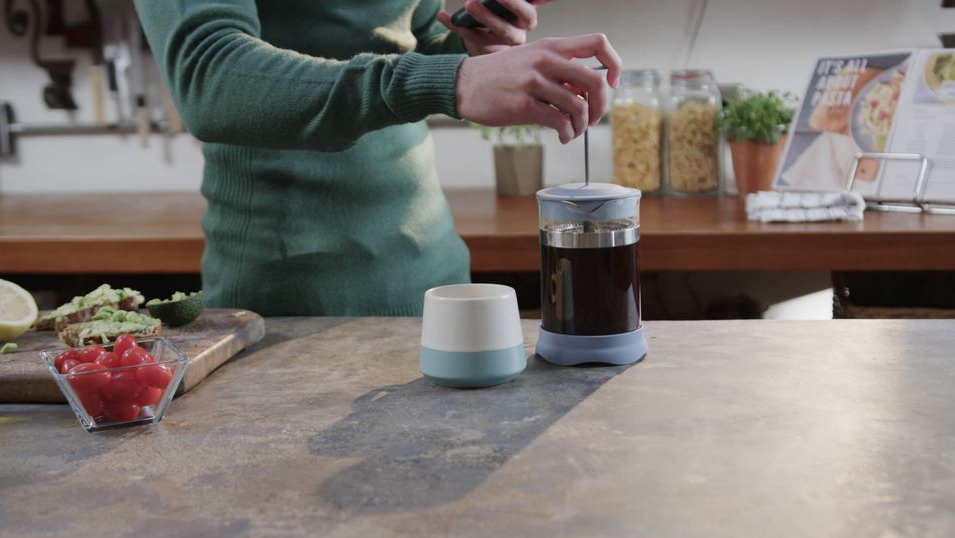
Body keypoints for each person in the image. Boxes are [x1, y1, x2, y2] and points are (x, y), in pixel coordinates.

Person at [135, 0, 622, 316]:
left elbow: (403, 38)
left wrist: (468, 46)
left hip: (431, 277)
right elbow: (209, 75)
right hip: (291, 297)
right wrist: (455, 79)